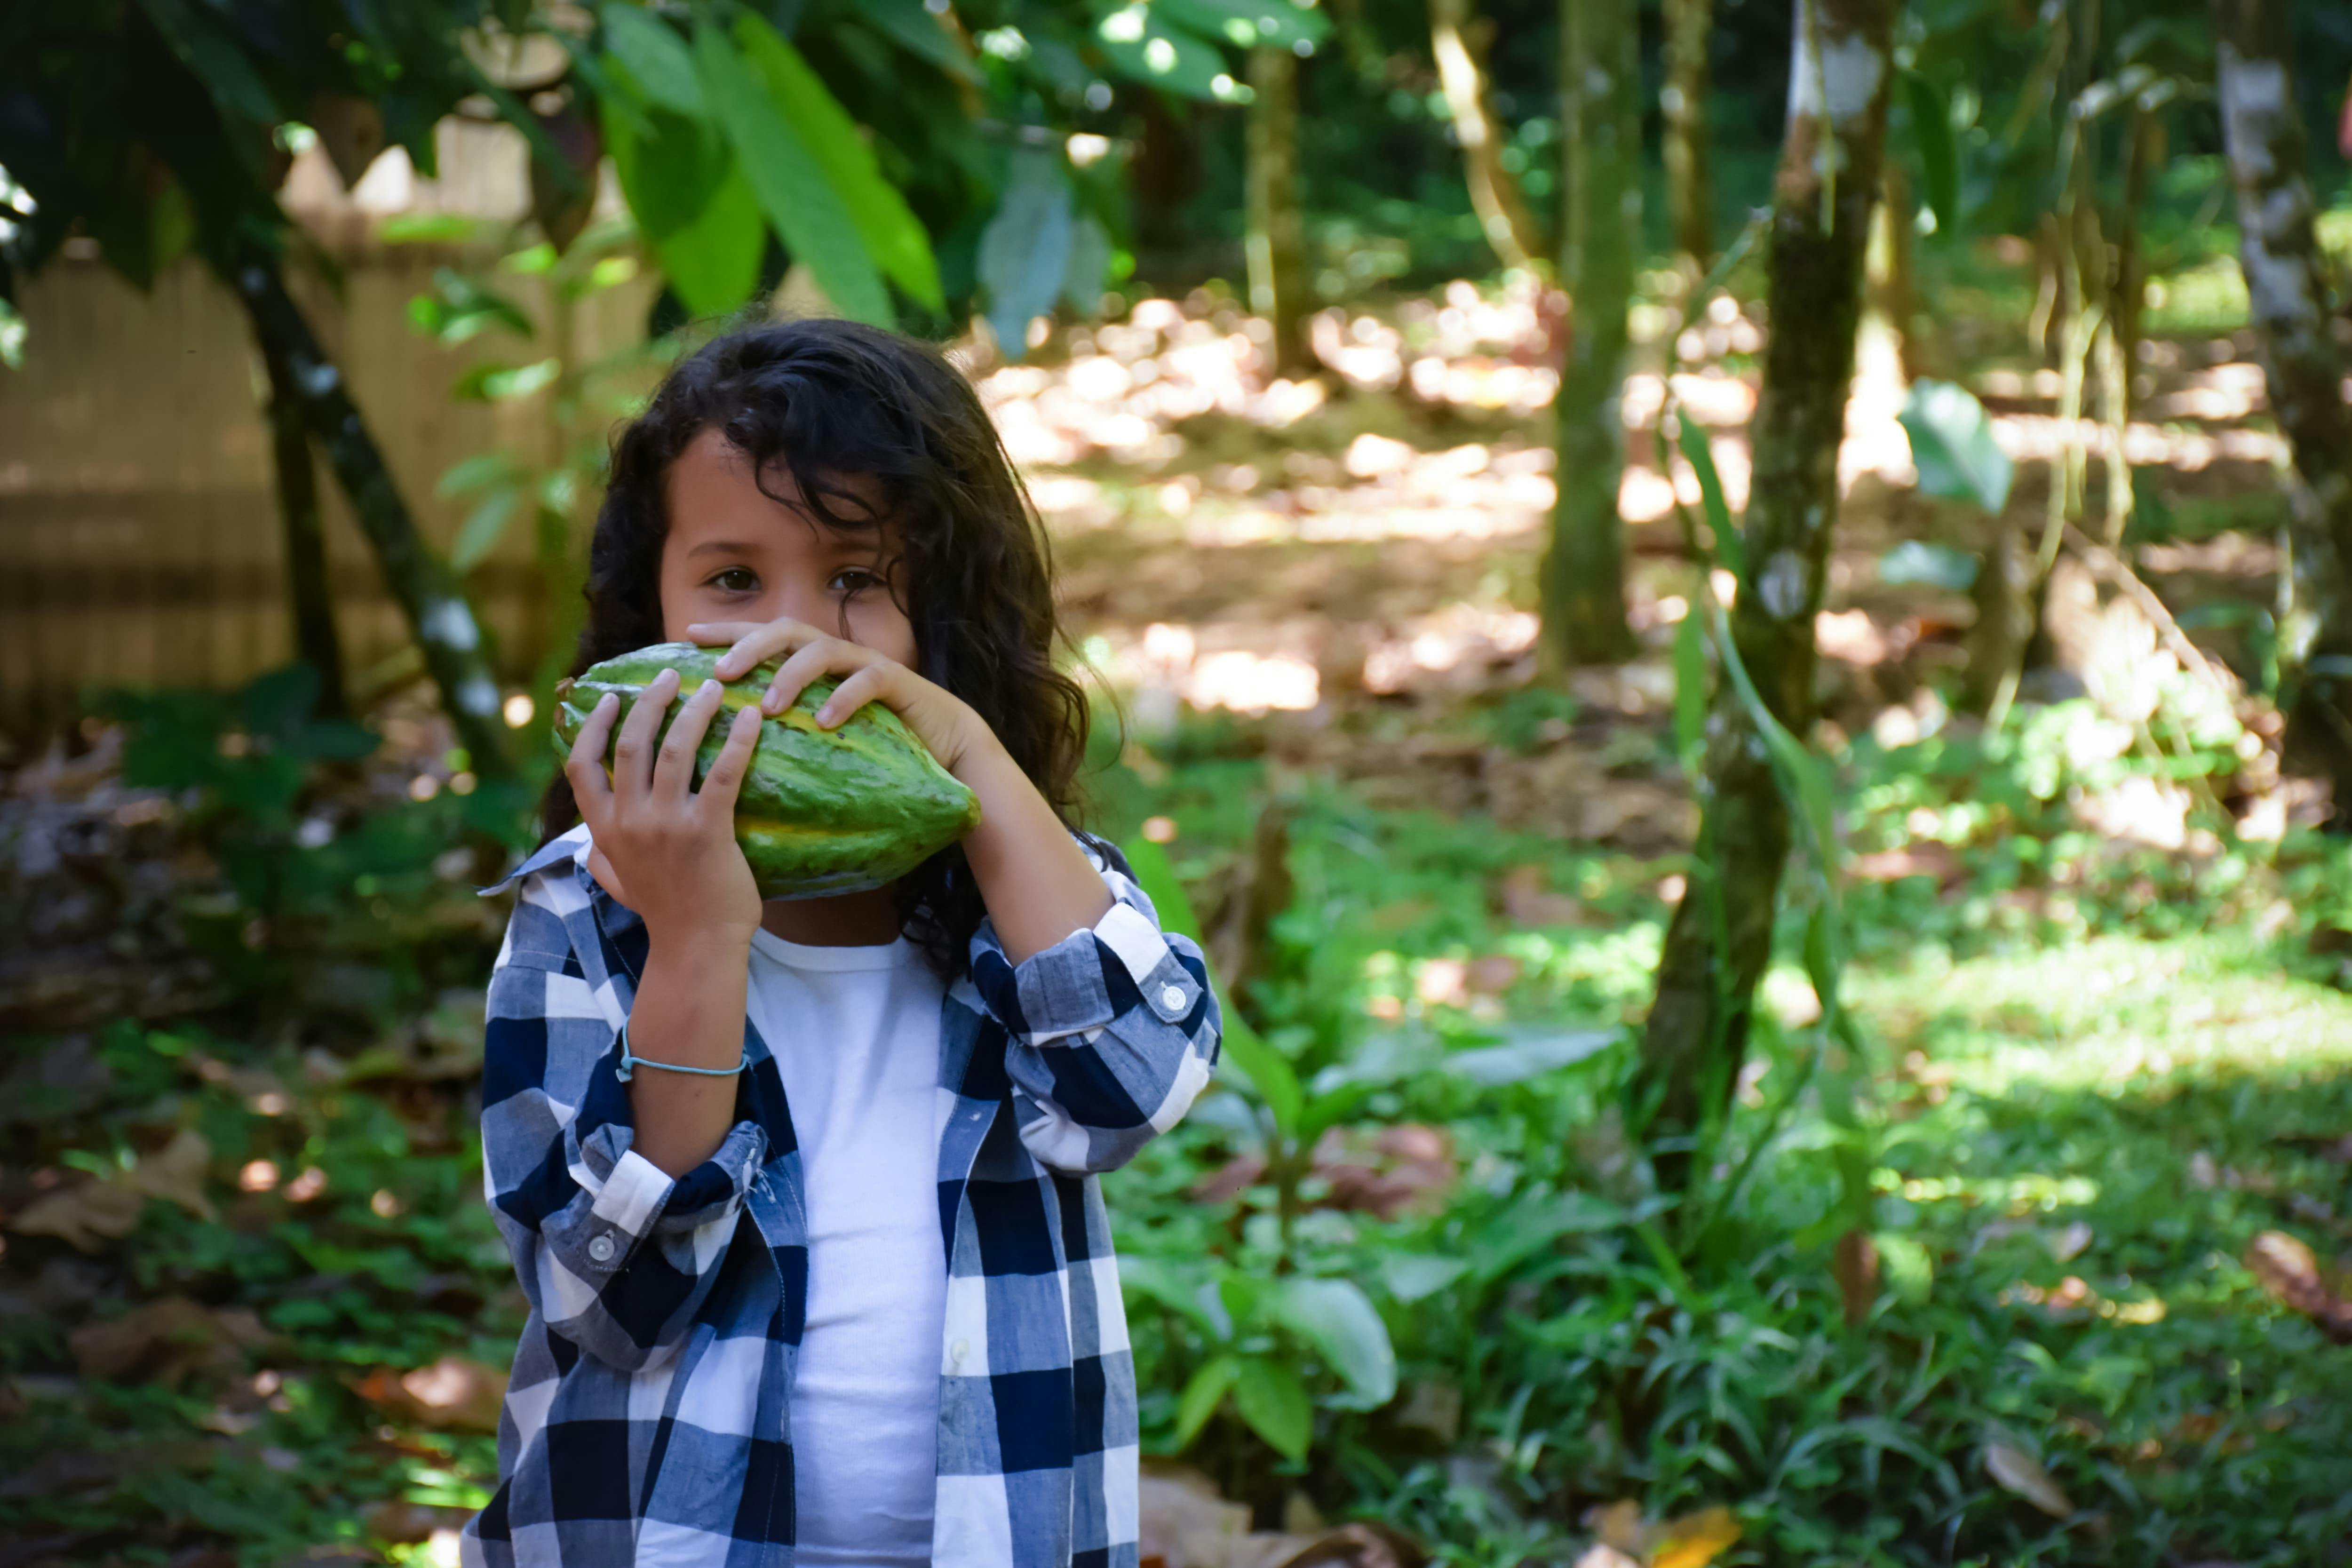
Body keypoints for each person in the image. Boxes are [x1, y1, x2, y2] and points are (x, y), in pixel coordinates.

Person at [462, 319, 1221, 1568]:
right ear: (646, 620)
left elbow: (1133, 1087)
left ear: (948, 615)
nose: (791, 645)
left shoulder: (1022, 893)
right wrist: (698, 943)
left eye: (858, 581)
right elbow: (599, 1287)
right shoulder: (584, 919)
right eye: (731, 583)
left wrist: (971, 756)